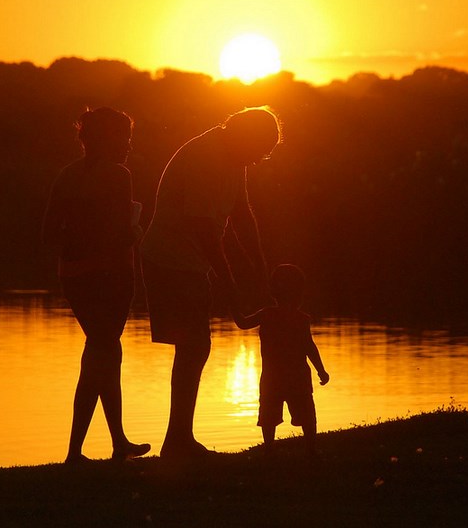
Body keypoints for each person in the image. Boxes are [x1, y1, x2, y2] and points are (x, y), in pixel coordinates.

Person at [140, 106, 281, 459]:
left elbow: (241, 213)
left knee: (194, 347)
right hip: (170, 258)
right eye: (256, 151)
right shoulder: (207, 156)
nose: (254, 161)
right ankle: (178, 442)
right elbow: (204, 231)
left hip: (189, 260)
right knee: (193, 346)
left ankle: (178, 439)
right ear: (245, 136)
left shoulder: (234, 154)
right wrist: (232, 287)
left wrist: (259, 266)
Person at [42, 107, 150, 464]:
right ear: (105, 138)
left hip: (73, 277)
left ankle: (112, 443)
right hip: (111, 277)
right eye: (124, 137)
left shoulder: (66, 176)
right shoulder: (119, 176)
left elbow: (48, 234)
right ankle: (82, 450)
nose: (129, 145)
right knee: (101, 357)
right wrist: (137, 229)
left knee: (103, 355)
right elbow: (120, 235)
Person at [231, 264, 329, 455]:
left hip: (272, 378)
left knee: (269, 414)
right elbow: (310, 347)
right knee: (307, 414)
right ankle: (310, 448)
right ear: (300, 294)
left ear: (273, 292)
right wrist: (321, 370)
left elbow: (242, 323)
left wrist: (233, 303)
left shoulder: (266, 314)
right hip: (297, 377)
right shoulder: (301, 319)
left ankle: (269, 448)